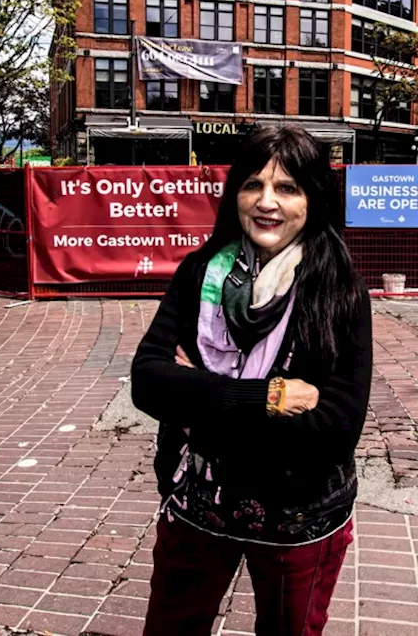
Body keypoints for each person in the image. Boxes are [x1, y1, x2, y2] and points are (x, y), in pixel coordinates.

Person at [132, 124, 372, 636]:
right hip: (198, 505)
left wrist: (197, 395)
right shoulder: (199, 273)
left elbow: (333, 430)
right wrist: (266, 396)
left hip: (297, 517)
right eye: (252, 185)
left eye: (287, 188)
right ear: (233, 194)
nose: (267, 202)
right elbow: (148, 382)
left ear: (313, 200)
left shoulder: (338, 290)